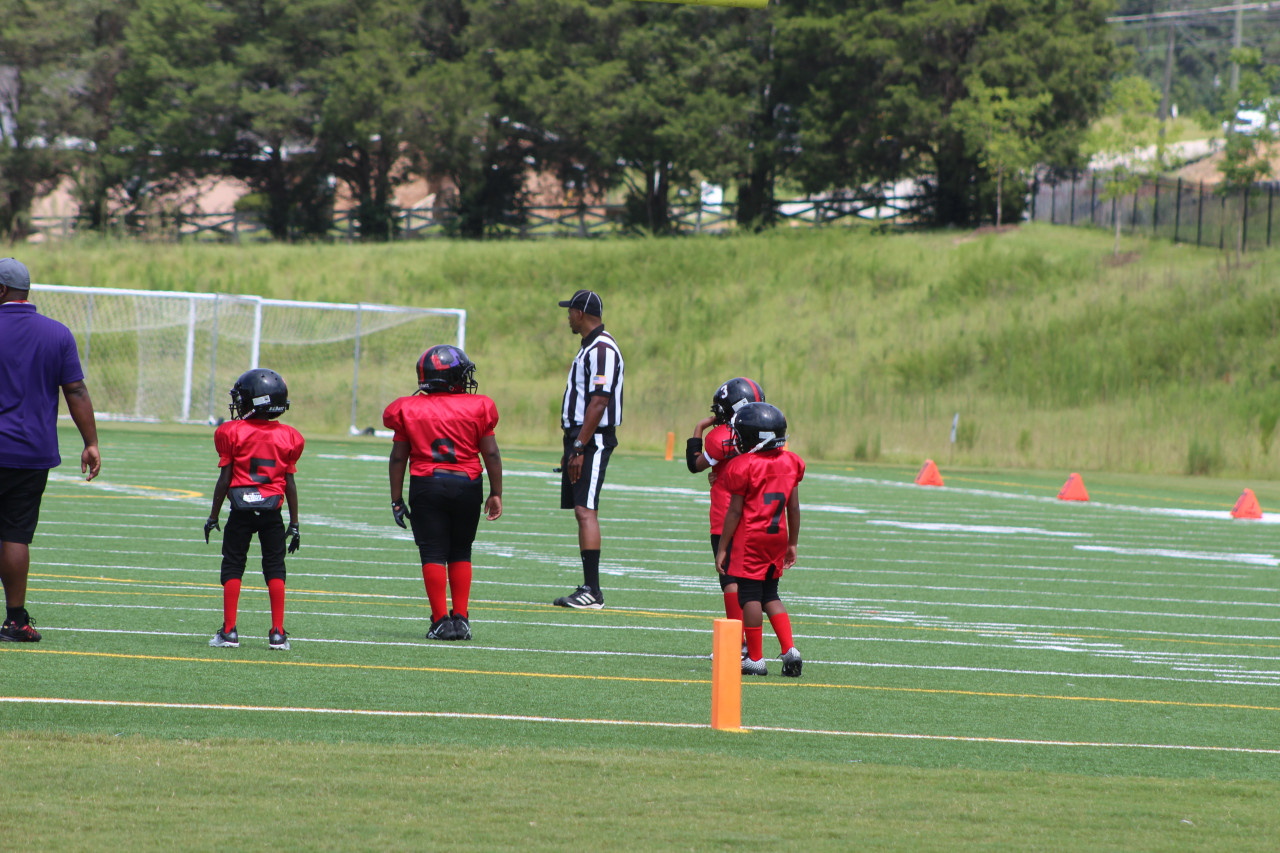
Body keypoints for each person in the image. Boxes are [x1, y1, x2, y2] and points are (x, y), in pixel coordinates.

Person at [0, 258, 101, 642]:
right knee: (15, 535)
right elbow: (75, 390)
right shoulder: (58, 334)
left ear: (1, 290)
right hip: (31, 453)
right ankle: (15, 620)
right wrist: (90, 443)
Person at [383, 344, 502, 642]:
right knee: (461, 550)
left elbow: (398, 458)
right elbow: (492, 454)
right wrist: (496, 492)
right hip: (468, 484)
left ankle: (439, 620)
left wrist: (396, 499)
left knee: (433, 552)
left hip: (427, 484)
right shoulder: (479, 406)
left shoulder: (407, 409)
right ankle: (461, 619)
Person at [203, 368, 304, 651]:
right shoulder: (290, 437)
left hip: (241, 510)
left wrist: (213, 516)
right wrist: (294, 523)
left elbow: (224, 479)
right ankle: (277, 633)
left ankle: (229, 631)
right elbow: (290, 484)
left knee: (234, 564)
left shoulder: (231, 432)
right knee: (275, 567)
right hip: (272, 512)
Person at [715, 402, 804, 678]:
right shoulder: (791, 462)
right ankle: (790, 650)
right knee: (771, 594)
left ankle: (755, 658)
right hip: (777, 537)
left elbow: (734, 511)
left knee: (750, 596)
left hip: (752, 539)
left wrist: (722, 547)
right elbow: (793, 508)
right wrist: (793, 543)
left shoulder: (743, 466)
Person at [552, 290, 624, 610]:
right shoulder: (590, 348)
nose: (568, 316)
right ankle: (588, 587)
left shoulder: (603, 348)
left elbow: (599, 401)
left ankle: (593, 591)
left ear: (581, 313)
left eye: (570, 311)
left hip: (592, 440)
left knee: (586, 510)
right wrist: (571, 445)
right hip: (580, 439)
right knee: (581, 510)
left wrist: (579, 445)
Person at [686, 377, 766, 638]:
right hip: (760, 517)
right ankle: (772, 649)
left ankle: (737, 642)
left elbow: (694, 464)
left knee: (730, 580)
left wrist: (699, 427)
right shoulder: (768, 438)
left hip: (725, 516)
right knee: (760, 588)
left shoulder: (720, 436)